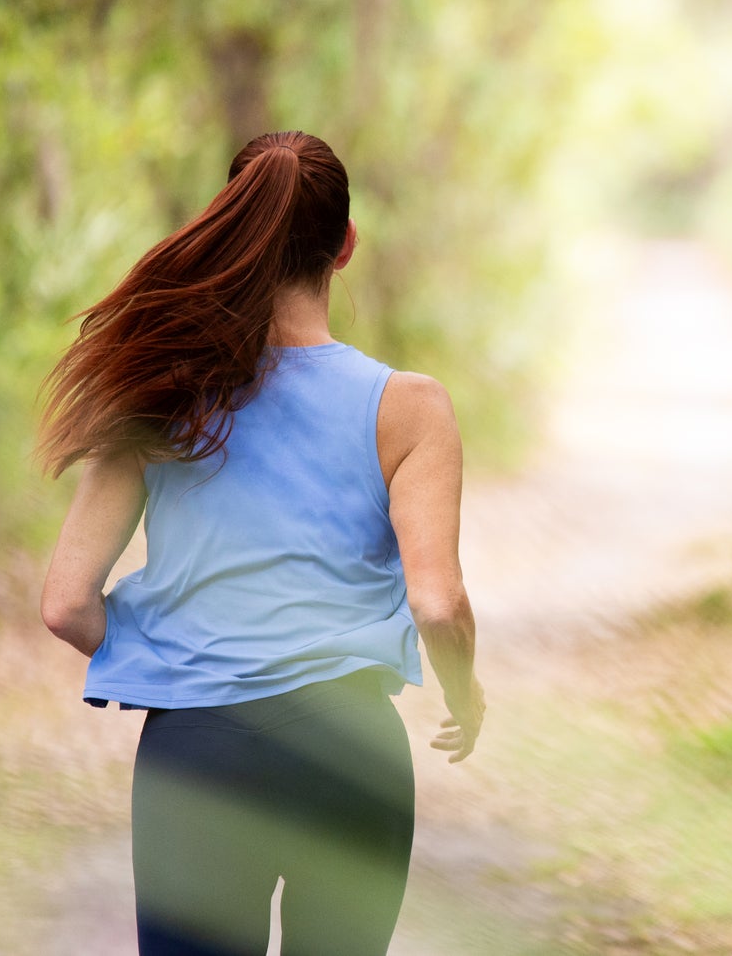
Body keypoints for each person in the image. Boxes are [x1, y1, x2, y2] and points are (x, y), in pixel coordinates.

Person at [35, 130, 484, 956]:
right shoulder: (409, 409)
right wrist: (464, 690)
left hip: (197, 755)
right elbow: (436, 600)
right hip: (349, 752)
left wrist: (179, 650)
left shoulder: (163, 393)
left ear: (233, 228)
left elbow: (65, 604)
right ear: (344, 246)